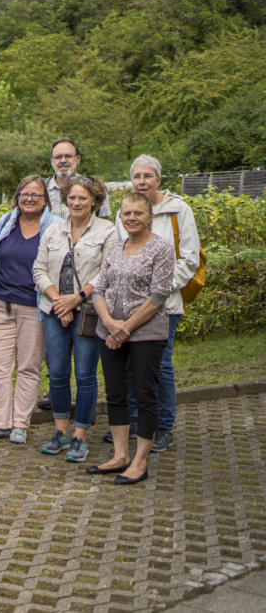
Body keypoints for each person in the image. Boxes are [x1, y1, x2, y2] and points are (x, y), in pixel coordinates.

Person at [106, 155, 201, 453]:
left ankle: (164, 426)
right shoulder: (127, 210)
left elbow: (190, 257)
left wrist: (159, 289)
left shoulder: (178, 210)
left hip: (165, 305)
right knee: (133, 365)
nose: (142, 181)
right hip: (128, 306)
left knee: (159, 366)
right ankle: (136, 422)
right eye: (137, 176)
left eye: (148, 176)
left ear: (159, 180)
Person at [88, 192, 176, 484]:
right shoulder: (114, 249)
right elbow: (99, 289)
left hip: (146, 335)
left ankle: (140, 462)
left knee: (144, 394)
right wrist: (110, 323)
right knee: (115, 394)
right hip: (109, 332)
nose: (132, 218)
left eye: (138, 213)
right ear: (120, 216)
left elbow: (158, 295)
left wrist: (124, 329)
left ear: (150, 216)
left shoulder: (161, 248)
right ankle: (120, 456)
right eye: (127, 213)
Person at [32, 175, 118, 464]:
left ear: (94, 200)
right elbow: (39, 269)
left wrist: (77, 298)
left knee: (84, 375)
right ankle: (60, 432)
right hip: (55, 311)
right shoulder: (53, 231)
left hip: (89, 313)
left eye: (83, 198)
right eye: (72, 198)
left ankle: (80, 436)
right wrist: (60, 301)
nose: (77, 202)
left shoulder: (108, 231)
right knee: (56, 374)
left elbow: (107, 272)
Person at [0, 175, 56, 445]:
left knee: (29, 367)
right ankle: (0, 423)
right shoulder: (6, 222)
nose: (29, 198)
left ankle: (20, 423)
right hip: (0, 305)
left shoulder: (54, 227)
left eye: (36, 194)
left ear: (46, 201)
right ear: (17, 197)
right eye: (25, 193)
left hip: (34, 308)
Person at [45, 138, 113, 220]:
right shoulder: (41, 190)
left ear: (78, 159)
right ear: (52, 161)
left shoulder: (95, 189)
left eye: (68, 156)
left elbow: (104, 224)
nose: (63, 160)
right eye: (58, 157)